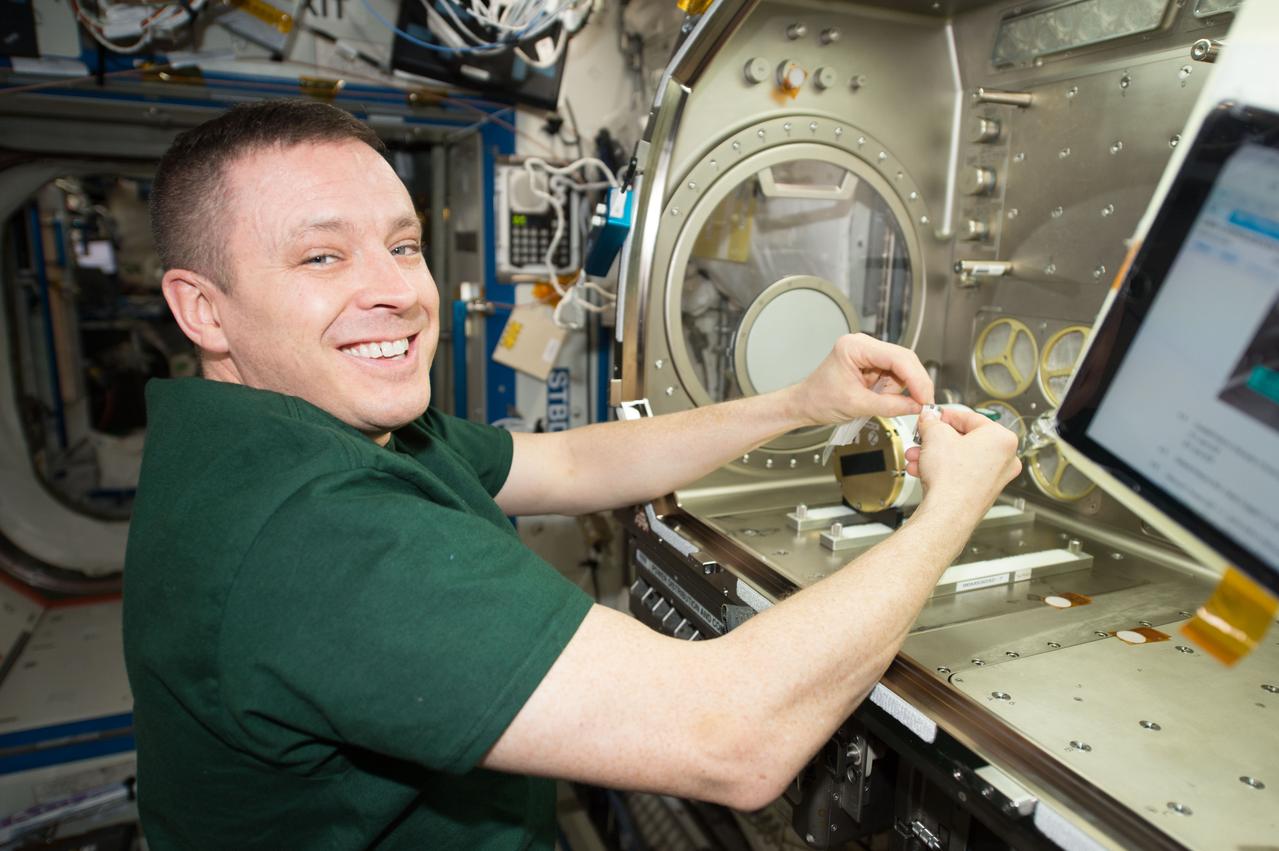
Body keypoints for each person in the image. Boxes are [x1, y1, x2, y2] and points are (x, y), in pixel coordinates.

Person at [122, 99, 1020, 850]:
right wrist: (952, 506)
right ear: (202, 307)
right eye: (321, 256)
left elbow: (569, 459)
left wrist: (798, 402)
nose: (396, 290)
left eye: (402, 245)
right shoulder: (315, 534)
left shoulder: (284, 430)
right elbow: (734, 737)